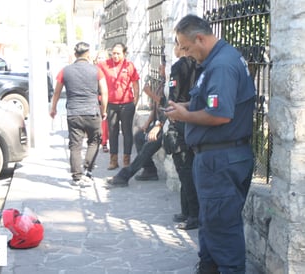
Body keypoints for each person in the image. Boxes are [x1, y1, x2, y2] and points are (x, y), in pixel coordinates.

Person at [166, 14, 256, 273]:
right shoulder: (219, 60)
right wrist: (188, 105)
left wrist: (186, 116)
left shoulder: (221, 66)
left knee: (222, 228)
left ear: (200, 39)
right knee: (212, 223)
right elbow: (213, 103)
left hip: (221, 160)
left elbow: (221, 114)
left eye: (185, 47)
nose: (184, 53)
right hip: (217, 158)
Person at [50, 42, 108, 187]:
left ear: (75, 54)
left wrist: (54, 108)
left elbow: (56, 91)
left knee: (75, 145)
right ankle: (88, 171)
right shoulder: (97, 70)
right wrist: (104, 110)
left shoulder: (65, 71)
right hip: (92, 112)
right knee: (94, 141)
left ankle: (76, 177)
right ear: (88, 55)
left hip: (74, 113)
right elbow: (104, 92)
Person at [105, 60, 166, 188]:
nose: (160, 67)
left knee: (149, 145)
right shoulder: (162, 83)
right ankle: (149, 170)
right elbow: (156, 107)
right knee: (139, 136)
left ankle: (125, 175)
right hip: (157, 122)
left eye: (163, 65)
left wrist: (149, 94)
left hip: (165, 125)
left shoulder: (172, 83)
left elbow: (166, 105)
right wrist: (148, 123)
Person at [164, 40, 200, 230]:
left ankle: (193, 214)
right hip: (197, 118)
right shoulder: (200, 64)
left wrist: (171, 114)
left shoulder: (178, 67)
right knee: (190, 168)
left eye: (176, 45)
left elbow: (173, 95)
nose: (174, 49)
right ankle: (187, 210)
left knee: (184, 169)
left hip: (180, 118)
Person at [97, 42, 140, 169]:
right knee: (112, 132)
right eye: (113, 53)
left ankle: (126, 159)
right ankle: (113, 160)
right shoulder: (104, 65)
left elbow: (135, 84)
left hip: (127, 104)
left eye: (118, 53)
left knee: (127, 132)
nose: (115, 56)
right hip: (111, 104)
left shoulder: (129, 66)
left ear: (124, 54)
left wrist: (135, 101)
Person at [94, 50, 110, 153]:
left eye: (103, 57)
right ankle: (96, 139)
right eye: (99, 57)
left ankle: (104, 141)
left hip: (104, 96)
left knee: (104, 120)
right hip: (95, 96)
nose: (101, 60)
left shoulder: (109, 70)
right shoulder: (93, 69)